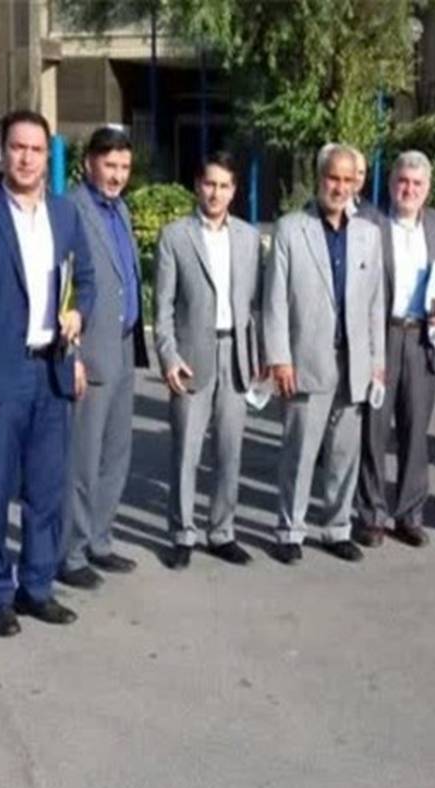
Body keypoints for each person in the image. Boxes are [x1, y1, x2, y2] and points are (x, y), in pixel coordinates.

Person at [0, 110, 96, 636]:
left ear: (47, 156)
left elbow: (85, 279)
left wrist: (78, 313)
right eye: (17, 147)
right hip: (1, 372)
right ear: (3, 152)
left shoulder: (64, 214)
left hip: (52, 369)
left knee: (46, 489)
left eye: (36, 149)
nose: (26, 158)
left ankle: (36, 586)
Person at [263, 144, 386, 564]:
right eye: (334, 178)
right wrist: (279, 357)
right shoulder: (290, 229)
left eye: (349, 180)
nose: (341, 187)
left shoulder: (368, 234)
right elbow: (275, 300)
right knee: (299, 452)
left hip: (354, 362)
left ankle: (337, 528)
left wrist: (377, 363)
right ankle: (289, 530)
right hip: (305, 357)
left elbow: (375, 304)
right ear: (319, 179)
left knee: (344, 454)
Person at [155, 151, 263, 569]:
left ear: (233, 191)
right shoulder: (175, 236)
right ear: (197, 186)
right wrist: (168, 356)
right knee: (186, 451)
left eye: (224, 186)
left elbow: (256, 303)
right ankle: (183, 533)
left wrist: (259, 355)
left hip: (235, 354)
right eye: (209, 184)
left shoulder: (249, 238)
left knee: (230, 451)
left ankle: (222, 531)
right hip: (191, 357)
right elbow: (162, 308)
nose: (216, 193)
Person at [60, 126, 149, 590]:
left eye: (124, 167)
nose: (117, 175)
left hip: (123, 344)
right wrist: (70, 354)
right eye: (109, 165)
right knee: (83, 459)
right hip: (90, 350)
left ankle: (99, 538)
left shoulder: (121, 210)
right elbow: (62, 284)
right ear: (89, 163)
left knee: (116, 453)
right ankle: (70, 553)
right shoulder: (71, 210)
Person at [353, 151, 435, 548]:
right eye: (402, 182)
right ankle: (372, 514)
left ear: (427, 188)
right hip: (382, 336)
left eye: (417, 184)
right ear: (391, 183)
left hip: (422, 339)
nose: (409, 190)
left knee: (416, 433)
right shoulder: (370, 223)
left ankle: (410, 515)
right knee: (373, 432)